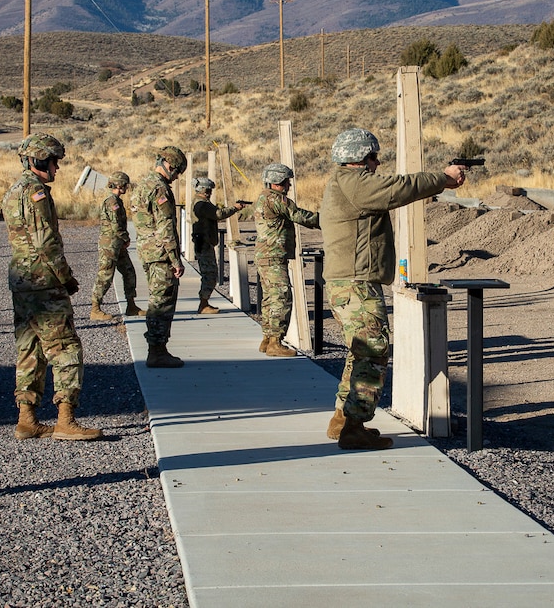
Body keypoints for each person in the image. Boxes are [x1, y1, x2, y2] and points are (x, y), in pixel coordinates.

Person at [320, 128, 465, 450]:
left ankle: (343, 420)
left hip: (352, 281)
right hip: (356, 283)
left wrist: (438, 183)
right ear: (358, 158)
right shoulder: (354, 183)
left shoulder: (346, 183)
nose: (376, 163)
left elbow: (397, 190)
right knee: (373, 351)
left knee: (359, 352)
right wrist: (441, 178)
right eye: (372, 157)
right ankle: (354, 427)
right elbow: (398, 189)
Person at [2, 133, 102, 441]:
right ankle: (65, 419)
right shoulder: (36, 193)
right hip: (45, 284)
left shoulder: (12, 192)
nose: (56, 169)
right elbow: (45, 243)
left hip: (23, 283)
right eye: (53, 162)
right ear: (37, 161)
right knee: (66, 348)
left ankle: (27, 419)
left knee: (30, 348)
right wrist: (65, 277)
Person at [254, 163, 320, 357]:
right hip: (273, 256)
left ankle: (267, 338)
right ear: (277, 182)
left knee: (269, 298)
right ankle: (275, 342)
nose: (288, 186)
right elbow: (300, 216)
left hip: (265, 255)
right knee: (281, 298)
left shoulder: (263, 197)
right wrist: (326, 220)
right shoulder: (276, 199)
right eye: (285, 182)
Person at [132, 145, 188, 368]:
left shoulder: (142, 185)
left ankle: (157, 348)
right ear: (169, 166)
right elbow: (165, 228)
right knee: (162, 303)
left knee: (157, 300)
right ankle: (157, 350)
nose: (176, 177)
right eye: (176, 172)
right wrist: (176, 260)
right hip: (161, 254)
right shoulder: (160, 189)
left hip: (147, 252)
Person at [90, 171, 145, 321]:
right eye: (125, 185)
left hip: (117, 244)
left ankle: (131, 306)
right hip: (110, 245)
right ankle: (95, 308)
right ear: (120, 185)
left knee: (129, 272)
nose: (127, 187)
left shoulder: (116, 201)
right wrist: (125, 238)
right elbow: (116, 225)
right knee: (105, 275)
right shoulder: (112, 202)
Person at [190, 176, 244, 315]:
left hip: (204, 242)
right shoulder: (202, 204)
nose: (210, 192)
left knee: (209, 273)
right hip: (204, 243)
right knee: (210, 274)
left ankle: (204, 302)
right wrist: (234, 208)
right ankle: (203, 303)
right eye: (209, 190)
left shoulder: (200, 202)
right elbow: (218, 214)